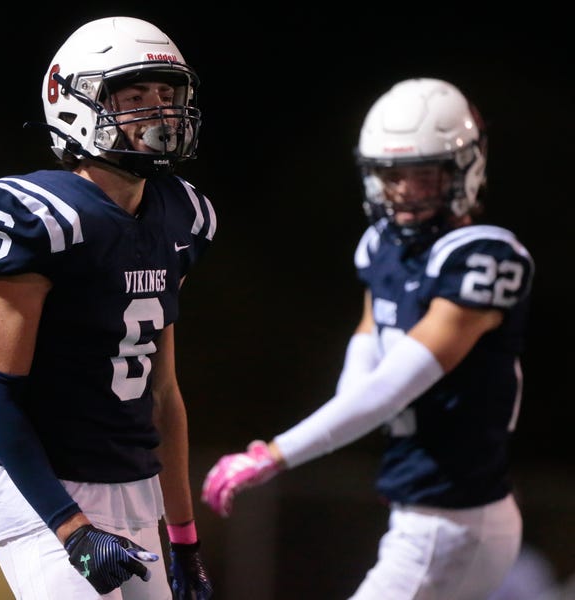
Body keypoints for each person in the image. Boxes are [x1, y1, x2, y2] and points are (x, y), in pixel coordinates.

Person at [201, 77, 535, 599]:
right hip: (424, 512)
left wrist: (274, 454)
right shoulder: (382, 248)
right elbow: (363, 383)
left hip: (454, 521)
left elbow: (395, 387)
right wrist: (296, 445)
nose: (401, 190)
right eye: (389, 175)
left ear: (462, 170)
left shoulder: (482, 258)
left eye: (421, 175)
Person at [0, 16, 214, 600]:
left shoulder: (178, 216)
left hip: (139, 495)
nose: (159, 111)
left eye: (167, 94)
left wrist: (183, 537)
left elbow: (164, 393)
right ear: (74, 102)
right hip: (49, 500)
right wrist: (71, 527)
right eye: (135, 96)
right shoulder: (39, 218)